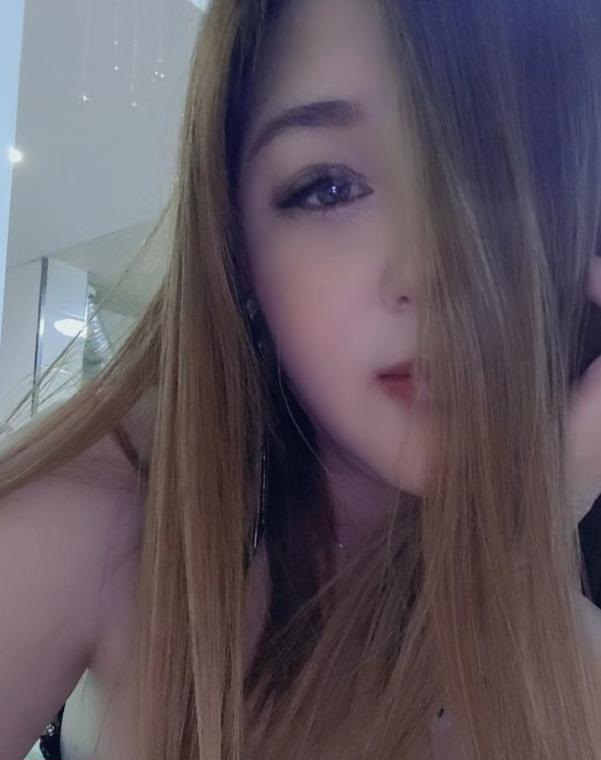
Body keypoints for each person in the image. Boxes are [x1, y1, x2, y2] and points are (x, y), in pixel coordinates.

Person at [2, 0, 601, 758]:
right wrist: (515, 548)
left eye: (506, 178)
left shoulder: (578, 658)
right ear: (237, 253)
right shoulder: (119, 515)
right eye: (328, 188)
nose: (433, 270)